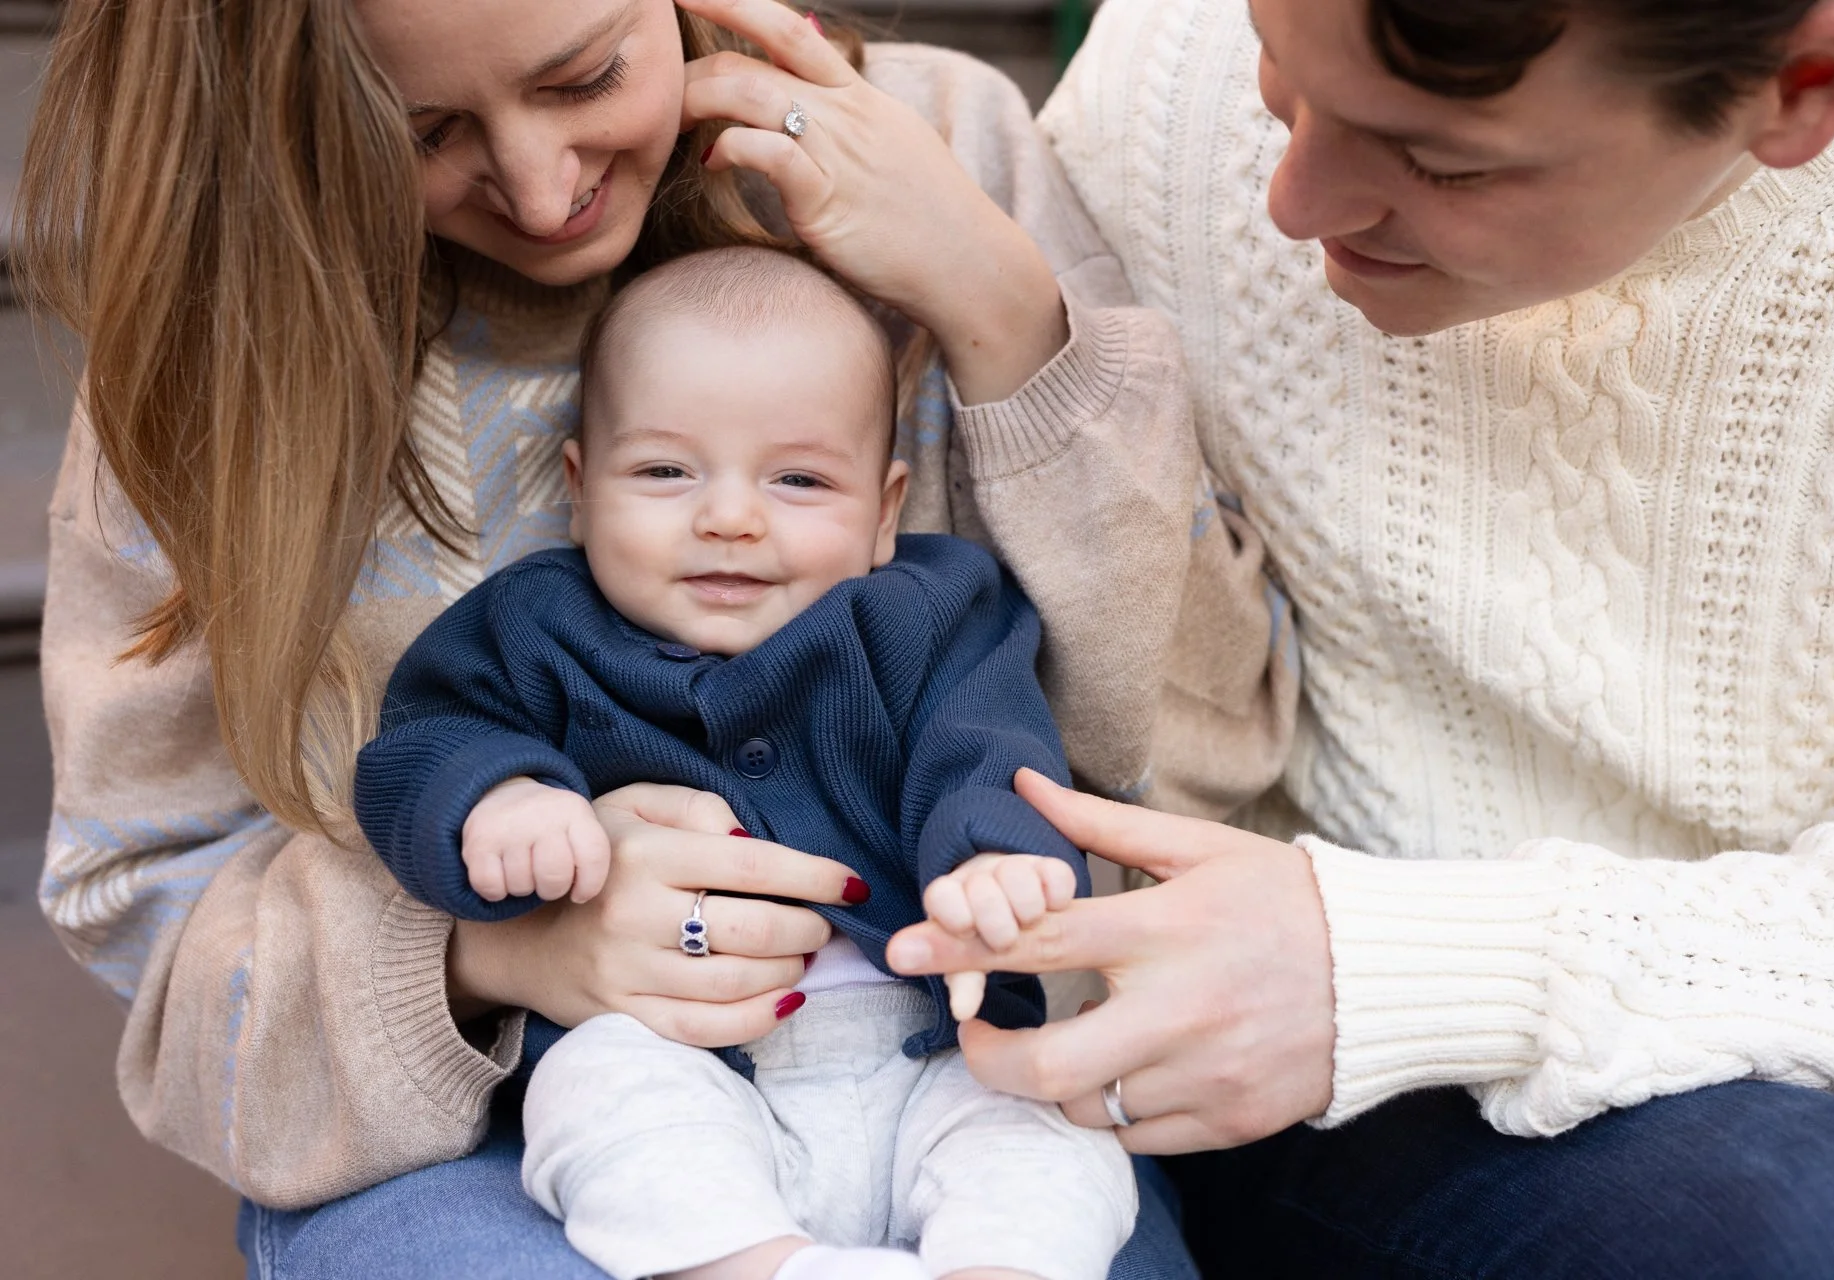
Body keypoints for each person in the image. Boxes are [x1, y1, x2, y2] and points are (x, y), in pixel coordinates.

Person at [22, 0, 1291, 1274]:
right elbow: (150, 893)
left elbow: (1207, 764)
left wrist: (1002, 312)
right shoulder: (226, 332)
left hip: (964, 1066)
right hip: (497, 1131)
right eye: (421, 130)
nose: (538, 186)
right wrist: (487, 945)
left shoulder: (943, 141)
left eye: (587, 77)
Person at [877, 0, 1834, 1275]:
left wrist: (1405, 962)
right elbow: (1109, 684)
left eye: (1444, 162)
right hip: (1201, 1052)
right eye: (1280, 78)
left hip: (1731, 1065)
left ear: (1806, 88)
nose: (1293, 202)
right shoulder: (1166, 63)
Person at [354, 245, 1136, 1280]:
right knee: (598, 1097)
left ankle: (996, 1266)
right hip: (682, 1055)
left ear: (885, 510)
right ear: (581, 490)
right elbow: (421, 740)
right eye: (666, 470)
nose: (729, 515)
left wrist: (996, 859)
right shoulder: (534, 625)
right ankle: (758, 1265)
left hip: (932, 1048)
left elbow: (988, 743)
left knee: (1050, 1127)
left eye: (800, 478)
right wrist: (494, 795)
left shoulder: (927, 615)